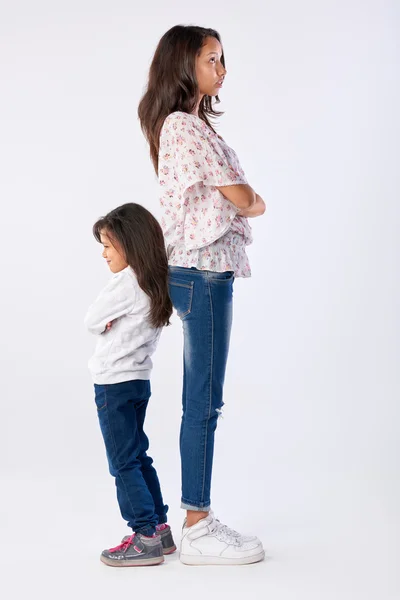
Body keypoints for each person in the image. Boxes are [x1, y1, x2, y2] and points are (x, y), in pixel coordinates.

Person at [138, 25, 267, 565]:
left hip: (203, 273)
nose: (223, 68)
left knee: (204, 399)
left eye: (223, 58)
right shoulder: (183, 128)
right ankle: (197, 524)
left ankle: (197, 518)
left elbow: (244, 199)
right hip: (201, 272)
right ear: (184, 64)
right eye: (213, 58)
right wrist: (245, 197)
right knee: (203, 403)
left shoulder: (190, 127)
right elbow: (245, 198)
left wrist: (244, 198)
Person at [84, 202, 176, 567]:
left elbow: (92, 320)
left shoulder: (126, 281)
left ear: (130, 244)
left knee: (122, 462)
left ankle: (144, 536)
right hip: (138, 381)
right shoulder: (155, 279)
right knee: (139, 455)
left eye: (108, 245)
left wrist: (104, 324)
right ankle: (160, 529)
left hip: (113, 383)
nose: (104, 254)